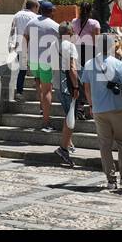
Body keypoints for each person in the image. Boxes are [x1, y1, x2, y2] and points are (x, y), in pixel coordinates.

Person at [81, 40, 122, 191]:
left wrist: (91, 105)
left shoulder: (89, 64)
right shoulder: (117, 63)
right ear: (111, 47)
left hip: (99, 109)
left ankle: (111, 180)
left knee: (105, 145)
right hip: (117, 107)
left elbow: (86, 88)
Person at [30, 0, 61, 132]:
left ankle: (42, 106)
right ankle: (46, 122)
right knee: (47, 90)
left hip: (32, 59)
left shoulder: (31, 22)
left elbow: (25, 38)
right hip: (46, 60)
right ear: (51, 11)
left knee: (38, 82)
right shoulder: (55, 26)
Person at [54, 23, 81, 166]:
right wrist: (76, 86)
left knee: (68, 114)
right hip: (67, 86)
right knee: (71, 116)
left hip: (57, 84)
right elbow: (72, 68)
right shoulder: (70, 46)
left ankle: (68, 143)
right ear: (70, 33)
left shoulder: (54, 44)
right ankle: (63, 148)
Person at [69, 1, 100, 117]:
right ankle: (92, 104)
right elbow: (97, 41)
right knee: (90, 78)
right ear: (91, 10)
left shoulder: (74, 22)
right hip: (90, 51)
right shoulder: (94, 23)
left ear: (80, 9)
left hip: (77, 51)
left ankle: (80, 106)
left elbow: (72, 36)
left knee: (80, 78)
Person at [8, 0, 39, 101]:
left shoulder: (17, 15)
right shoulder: (35, 17)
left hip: (20, 46)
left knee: (22, 70)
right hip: (31, 45)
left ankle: (19, 92)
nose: (38, 10)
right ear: (34, 7)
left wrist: (11, 45)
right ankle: (36, 84)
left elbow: (13, 31)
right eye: (37, 8)